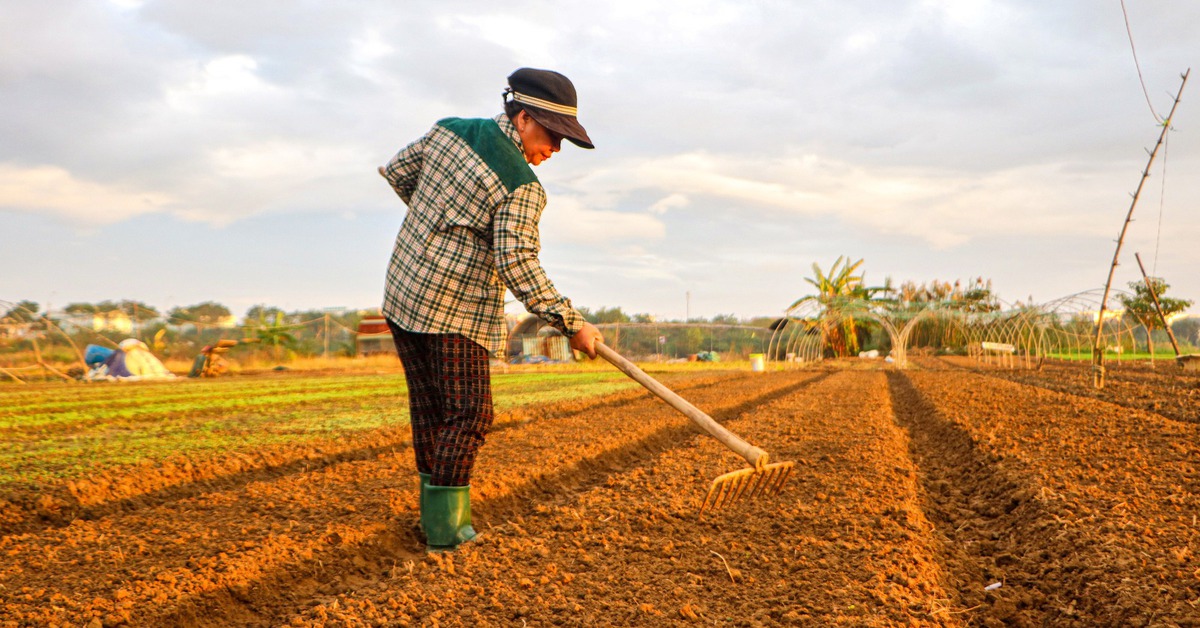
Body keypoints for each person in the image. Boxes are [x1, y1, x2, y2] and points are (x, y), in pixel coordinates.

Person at [378, 68, 604, 551]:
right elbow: (518, 263)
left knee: (430, 410)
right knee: (470, 414)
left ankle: (433, 521)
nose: (555, 151)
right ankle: (449, 531)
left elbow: (397, 171)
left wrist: (435, 223)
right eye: (552, 135)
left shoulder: (448, 131)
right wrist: (573, 324)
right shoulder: (521, 186)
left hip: (402, 294)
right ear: (523, 118)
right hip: (454, 312)